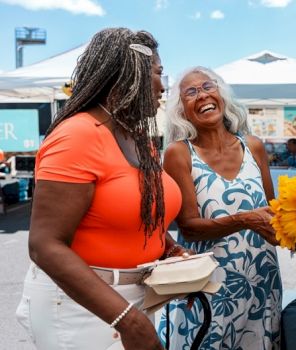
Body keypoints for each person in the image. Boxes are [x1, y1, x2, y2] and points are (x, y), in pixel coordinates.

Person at [15, 28, 187, 350]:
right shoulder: (77, 135)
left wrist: (172, 251)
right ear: (128, 74)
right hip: (79, 308)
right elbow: (44, 244)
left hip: (132, 300)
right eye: (157, 73)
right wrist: (128, 320)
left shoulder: (135, 138)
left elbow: (134, 215)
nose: (163, 87)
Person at [159, 66, 282, 349]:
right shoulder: (179, 153)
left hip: (263, 282)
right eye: (191, 92)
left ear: (222, 95)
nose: (202, 95)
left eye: (208, 87)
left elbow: (274, 214)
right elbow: (188, 227)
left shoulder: (254, 147)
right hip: (210, 287)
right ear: (182, 110)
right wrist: (245, 220)